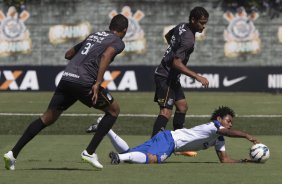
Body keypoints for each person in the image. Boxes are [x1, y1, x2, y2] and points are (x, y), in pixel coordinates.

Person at [3, 14, 128, 170]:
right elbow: (106, 55)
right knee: (114, 110)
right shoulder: (118, 41)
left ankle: (12, 154)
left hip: (67, 78)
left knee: (47, 118)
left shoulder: (94, 35)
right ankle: (89, 152)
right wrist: (97, 82)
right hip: (84, 82)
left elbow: (68, 54)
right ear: (124, 30)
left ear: (110, 26)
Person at [93, 106, 259, 164]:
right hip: (170, 141)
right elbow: (229, 132)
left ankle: (106, 129)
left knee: (129, 152)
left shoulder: (219, 138)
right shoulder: (214, 126)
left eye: (231, 122)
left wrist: (244, 161)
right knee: (154, 159)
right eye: (228, 121)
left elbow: (224, 160)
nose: (230, 124)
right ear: (219, 119)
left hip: (166, 138)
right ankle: (119, 159)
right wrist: (246, 135)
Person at [152, 7, 210, 145]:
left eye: (205, 23)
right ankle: (152, 146)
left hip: (172, 77)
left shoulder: (181, 26)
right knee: (166, 111)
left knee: (182, 106)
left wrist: (173, 50)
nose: (203, 26)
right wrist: (197, 77)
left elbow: (168, 36)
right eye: (201, 23)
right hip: (165, 76)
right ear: (193, 20)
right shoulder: (188, 39)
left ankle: (179, 143)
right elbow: (176, 63)